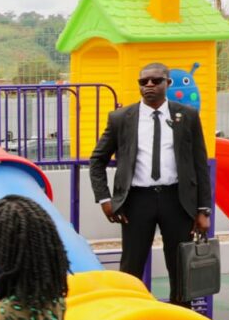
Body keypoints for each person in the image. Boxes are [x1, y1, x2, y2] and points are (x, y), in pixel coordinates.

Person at [89, 63, 212, 305]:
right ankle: (129, 315)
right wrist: (105, 199)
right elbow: (97, 160)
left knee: (180, 266)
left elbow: (199, 163)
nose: (149, 85)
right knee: (131, 266)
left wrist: (203, 210)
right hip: (136, 201)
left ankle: (180, 318)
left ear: (167, 83)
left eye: (156, 81)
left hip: (177, 200)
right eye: (143, 82)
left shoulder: (186, 116)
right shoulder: (121, 118)